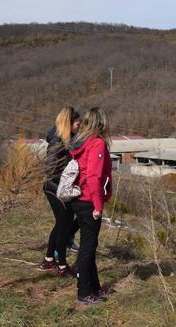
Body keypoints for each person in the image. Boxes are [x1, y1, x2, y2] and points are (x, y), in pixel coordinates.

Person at [69, 107, 112, 305]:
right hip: (88, 200)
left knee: (90, 245)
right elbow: (94, 177)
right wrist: (97, 205)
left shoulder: (81, 143)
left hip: (80, 198)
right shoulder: (97, 144)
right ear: (101, 123)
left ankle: (94, 288)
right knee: (87, 247)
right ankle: (84, 292)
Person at [39, 106, 81, 277]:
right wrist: (63, 187)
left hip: (59, 187)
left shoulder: (66, 139)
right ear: (68, 123)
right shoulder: (58, 142)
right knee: (64, 225)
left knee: (61, 223)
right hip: (55, 188)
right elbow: (50, 169)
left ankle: (49, 260)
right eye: (77, 123)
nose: (79, 126)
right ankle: (62, 266)